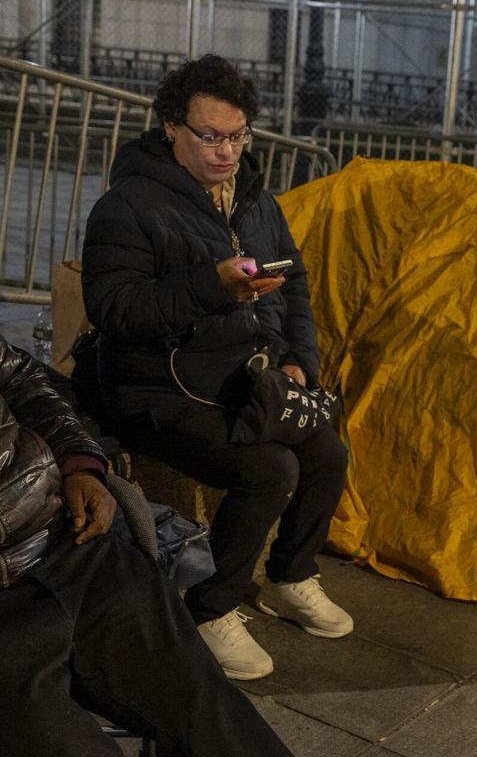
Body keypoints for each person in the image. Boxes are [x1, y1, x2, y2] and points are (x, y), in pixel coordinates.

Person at [82, 55, 351, 681]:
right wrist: (211, 286)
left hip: (239, 379)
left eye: (237, 136)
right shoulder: (130, 205)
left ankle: (290, 575)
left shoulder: (256, 200)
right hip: (155, 389)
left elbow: (296, 285)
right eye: (210, 136)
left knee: (327, 453)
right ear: (171, 127)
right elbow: (114, 309)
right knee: (270, 467)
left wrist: (297, 360)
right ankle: (210, 610)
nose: (226, 151)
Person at [0, 335, 294, 756]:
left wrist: (79, 462)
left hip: (67, 541)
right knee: (59, 741)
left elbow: (24, 380)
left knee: (208, 709)